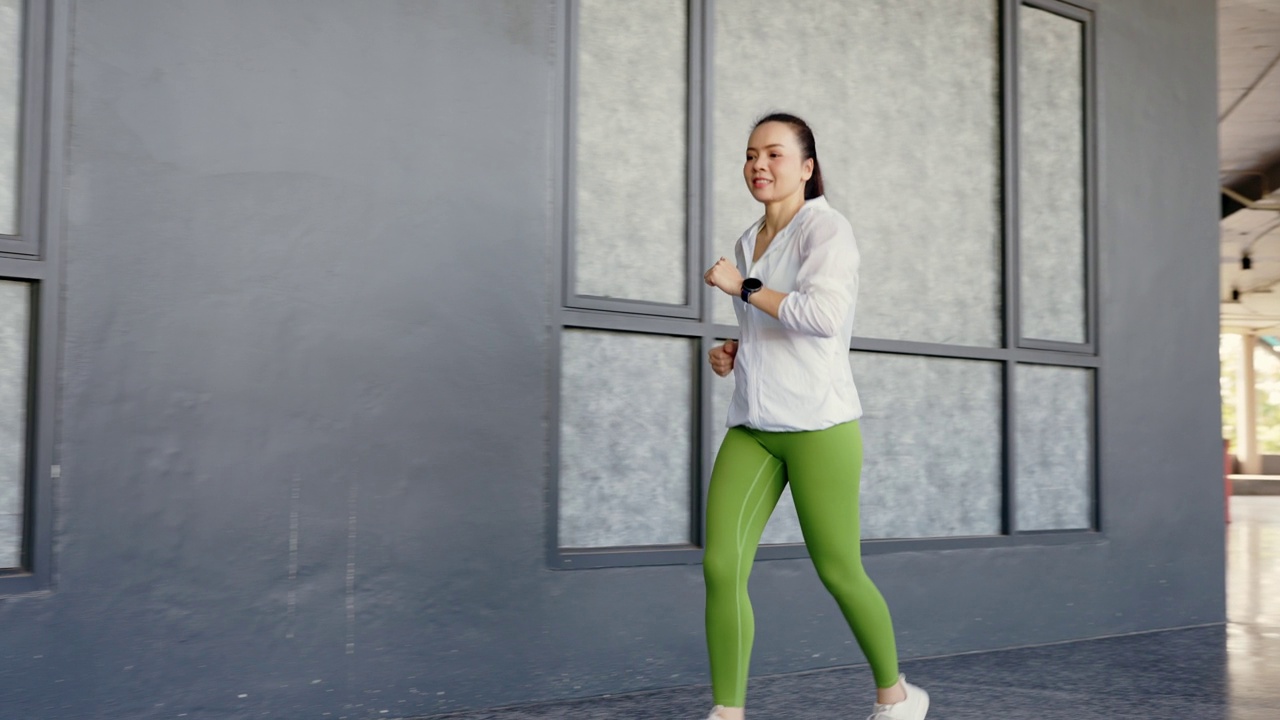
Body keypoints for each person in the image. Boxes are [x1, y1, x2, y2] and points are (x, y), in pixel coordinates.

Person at [700, 114, 929, 720]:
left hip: (819, 428)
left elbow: (823, 318)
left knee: (839, 570)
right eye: (751, 155)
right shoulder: (750, 238)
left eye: (774, 154)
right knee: (721, 565)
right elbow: (778, 327)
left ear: (806, 167)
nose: (758, 165)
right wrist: (736, 348)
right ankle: (728, 712)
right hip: (754, 425)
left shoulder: (827, 231)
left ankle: (897, 697)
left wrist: (743, 289)